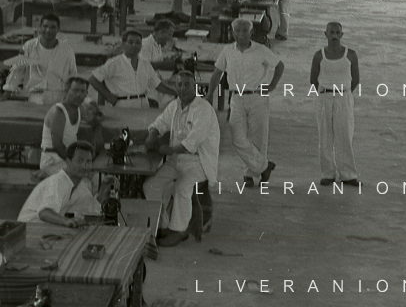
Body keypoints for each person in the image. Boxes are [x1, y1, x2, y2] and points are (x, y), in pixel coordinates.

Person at [143, 70, 221, 246]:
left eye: (187, 84)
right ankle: (162, 225)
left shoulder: (203, 109)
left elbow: (193, 141)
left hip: (198, 162)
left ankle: (179, 231)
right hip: (176, 160)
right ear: (175, 87)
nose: (183, 88)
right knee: (151, 185)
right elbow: (161, 122)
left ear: (195, 86)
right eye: (179, 84)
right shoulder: (175, 105)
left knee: (181, 187)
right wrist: (153, 134)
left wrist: (169, 149)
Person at [208, 17, 284, 187]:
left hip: (257, 97)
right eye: (237, 31)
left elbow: (279, 66)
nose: (241, 34)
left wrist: (272, 85)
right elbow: (217, 73)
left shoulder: (261, 50)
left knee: (258, 137)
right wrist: (210, 94)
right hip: (236, 98)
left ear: (251, 32)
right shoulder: (227, 51)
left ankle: (250, 174)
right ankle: (264, 166)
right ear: (232, 32)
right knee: (237, 137)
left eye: (245, 31)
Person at [309, 21, 360, 186]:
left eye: (337, 33)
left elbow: (356, 78)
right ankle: (328, 173)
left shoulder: (350, 55)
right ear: (326, 34)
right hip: (324, 98)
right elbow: (313, 79)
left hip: (343, 98)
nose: (334, 36)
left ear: (341, 35)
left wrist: (343, 93)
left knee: (345, 135)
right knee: (325, 136)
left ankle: (348, 174)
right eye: (331, 32)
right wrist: (326, 92)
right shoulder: (319, 56)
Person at [18, 141, 110, 226]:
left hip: (45, 228)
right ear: (68, 162)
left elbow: (93, 209)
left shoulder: (80, 186)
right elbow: (44, 213)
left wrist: (104, 188)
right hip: (28, 228)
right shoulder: (57, 182)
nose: (84, 166)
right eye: (80, 161)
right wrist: (66, 221)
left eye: (88, 162)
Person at [3, 14, 77, 107]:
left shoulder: (67, 50)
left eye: (53, 27)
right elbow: (18, 69)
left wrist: (72, 96)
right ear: (40, 27)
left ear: (58, 29)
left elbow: (73, 74)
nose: (48, 30)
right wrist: (8, 91)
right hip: (35, 95)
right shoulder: (29, 46)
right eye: (45, 26)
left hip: (59, 95)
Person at [88, 29, 163, 109]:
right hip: (123, 104)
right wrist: (108, 96)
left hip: (143, 103)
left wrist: (172, 92)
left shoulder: (145, 64)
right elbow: (93, 79)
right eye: (130, 42)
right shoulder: (114, 62)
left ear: (141, 45)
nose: (134, 45)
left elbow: (157, 84)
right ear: (123, 44)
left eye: (138, 43)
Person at [38, 76, 96, 176]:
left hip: (66, 159)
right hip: (52, 160)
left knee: (93, 175)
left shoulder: (79, 109)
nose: (78, 95)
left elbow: (94, 120)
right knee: (84, 177)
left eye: (82, 91)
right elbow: (57, 145)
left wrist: (98, 133)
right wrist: (76, 163)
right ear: (67, 90)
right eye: (75, 90)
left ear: (86, 94)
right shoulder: (58, 112)